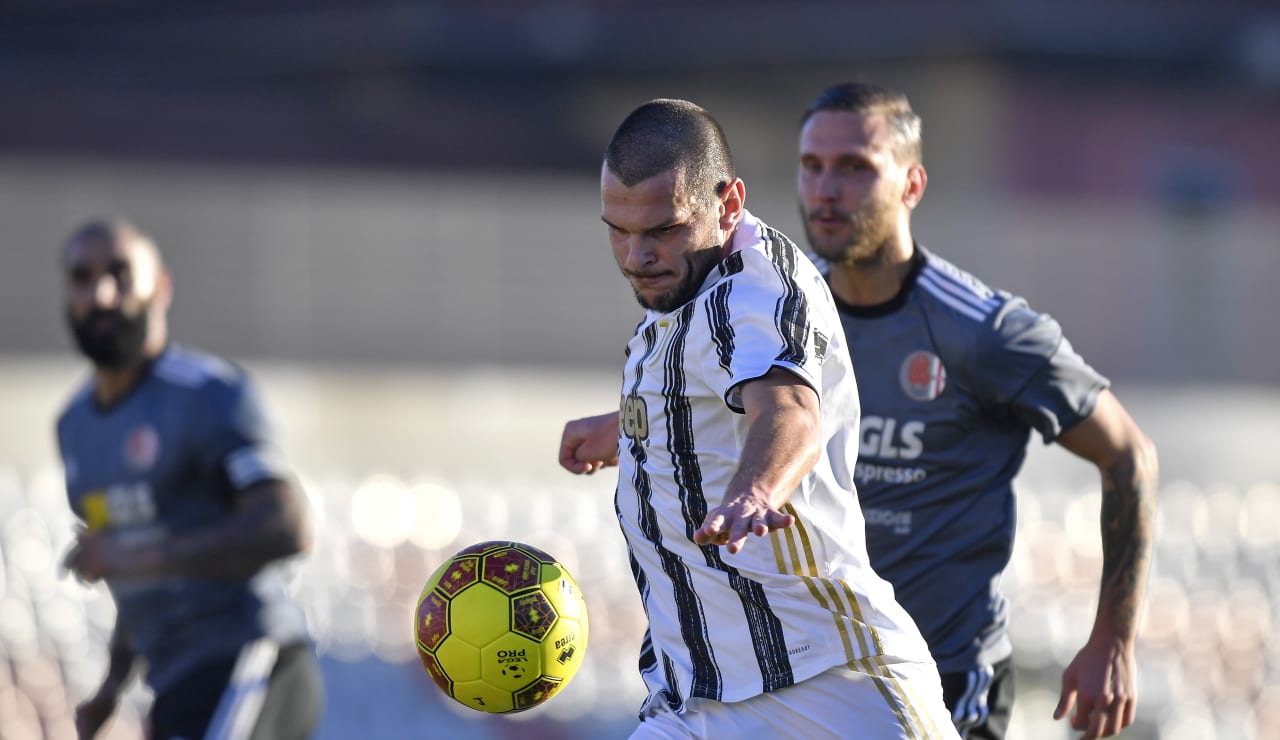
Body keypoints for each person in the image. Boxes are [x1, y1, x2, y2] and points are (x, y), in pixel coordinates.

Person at [559, 99, 958, 739]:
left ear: (729, 203)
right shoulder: (688, 281)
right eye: (618, 230)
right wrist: (625, 427)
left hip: (830, 682)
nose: (637, 256)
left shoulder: (756, 290)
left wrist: (756, 488)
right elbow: (714, 393)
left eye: (663, 230)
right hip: (695, 697)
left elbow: (791, 410)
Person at [794, 81, 1159, 740]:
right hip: (813, 682)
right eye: (813, 165)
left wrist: (1114, 640)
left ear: (912, 184)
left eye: (855, 167)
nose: (826, 188)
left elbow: (1129, 453)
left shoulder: (983, 331)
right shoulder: (782, 319)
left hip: (945, 684)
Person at [57, 219, 323, 740]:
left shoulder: (207, 395)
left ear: (160, 287)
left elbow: (286, 526)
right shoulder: (75, 428)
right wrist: (111, 688)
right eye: (82, 278)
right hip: (175, 685)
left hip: (251, 661)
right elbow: (128, 571)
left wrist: (132, 556)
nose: (101, 294)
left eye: (119, 274)